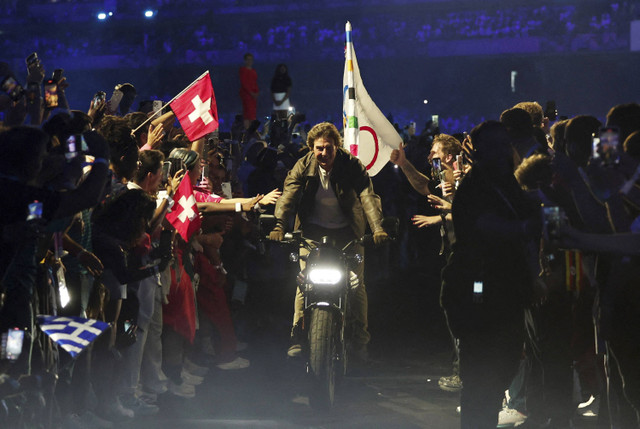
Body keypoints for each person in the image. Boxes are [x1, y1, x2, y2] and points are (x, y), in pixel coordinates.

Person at [440, 121, 540, 428]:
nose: (503, 152)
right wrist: (525, 228)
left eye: (504, 144)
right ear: (480, 151)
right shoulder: (477, 185)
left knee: (503, 366)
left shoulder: (505, 182)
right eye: (495, 146)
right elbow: (484, 225)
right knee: (481, 378)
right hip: (478, 289)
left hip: (506, 289)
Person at [269, 122, 388, 360]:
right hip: (312, 233)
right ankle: (298, 335)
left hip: (348, 233)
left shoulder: (352, 165)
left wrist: (377, 229)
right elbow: (289, 195)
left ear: (337, 146)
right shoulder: (302, 166)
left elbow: (367, 195)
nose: (324, 153)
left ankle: (360, 340)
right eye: (319, 148)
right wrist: (279, 224)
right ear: (311, 148)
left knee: (357, 286)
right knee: (304, 284)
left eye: (329, 148)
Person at [239, 53, 259, 130]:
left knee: (252, 113)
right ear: (245, 60)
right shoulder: (243, 70)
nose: (249, 61)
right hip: (247, 94)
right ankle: (248, 131)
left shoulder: (253, 71)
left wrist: (257, 92)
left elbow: (255, 82)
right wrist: (251, 93)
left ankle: (252, 131)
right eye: (248, 59)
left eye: (251, 59)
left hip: (254, 95)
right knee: (247, 114)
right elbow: (244, 83)